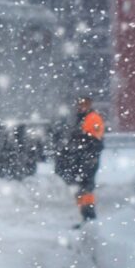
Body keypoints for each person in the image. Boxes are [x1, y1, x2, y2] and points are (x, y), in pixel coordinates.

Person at [56, 96, 105, 224]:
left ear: (89, 105)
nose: (81, 107)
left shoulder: (93, 118)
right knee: (80, 188)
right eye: (80, 104)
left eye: (84, 104)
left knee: (86, 187)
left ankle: (89, 217)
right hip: (81, 157)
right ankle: (86, 217)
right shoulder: (82, 118)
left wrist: (90, 155)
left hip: (88, 158)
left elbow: (95, 140)